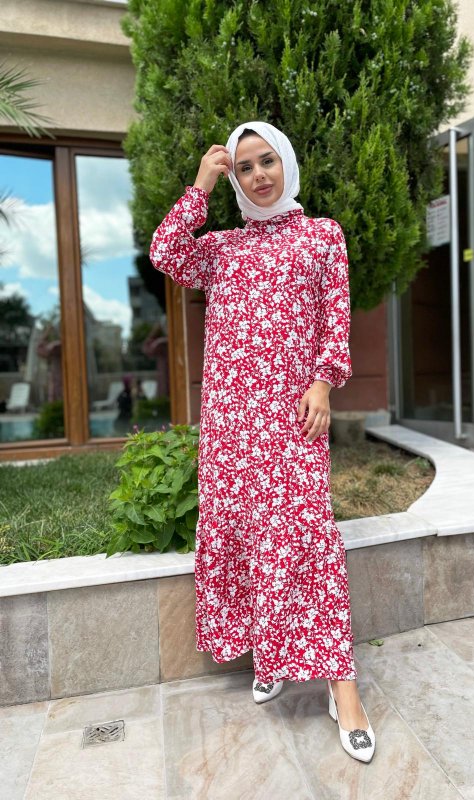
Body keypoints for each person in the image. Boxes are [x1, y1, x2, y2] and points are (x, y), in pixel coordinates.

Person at [149, 121, 375, 763]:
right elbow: (166, 252)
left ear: (287, 164)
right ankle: (270, 654)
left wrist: (324, 383)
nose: (258, 176)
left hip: (292, 417)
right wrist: (201, 183)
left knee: (308, 539)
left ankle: (344, 691)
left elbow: (335, 320)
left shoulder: (322, 235)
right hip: (230, 421)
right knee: (247, 535)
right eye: (244, 167)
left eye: (267, 161)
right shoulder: (222, 248)